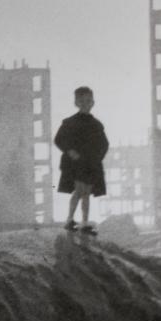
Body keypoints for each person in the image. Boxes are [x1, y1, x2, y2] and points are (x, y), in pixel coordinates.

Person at [54, 86, 109, 236]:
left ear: (93, 102)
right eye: (82, 101)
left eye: (88, 101)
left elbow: (104, 144)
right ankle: (70, 219)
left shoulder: (97, 125)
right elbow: (58, 139)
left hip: (91, 164)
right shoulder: (70, 122)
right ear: (76, 103)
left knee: (86, 193)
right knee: (79, 191)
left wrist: (97, 158)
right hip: (76, 164)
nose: (86, 103)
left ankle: (84, 222)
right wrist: (70, 151)